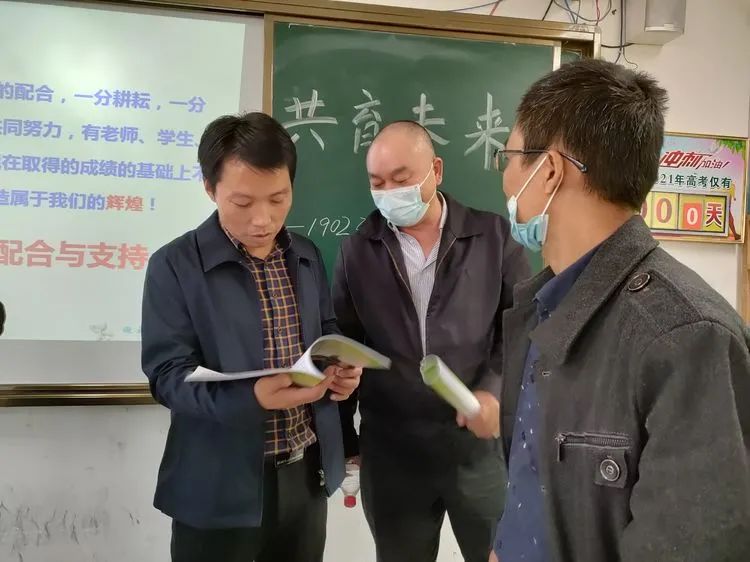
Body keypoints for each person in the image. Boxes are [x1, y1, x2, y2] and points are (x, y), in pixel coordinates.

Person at [491, 59, 750, 562]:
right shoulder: (543, 305)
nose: (505, 178)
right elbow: (537, 479)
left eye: (511, 157)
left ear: (549, 171)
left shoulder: (686, 336)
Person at [141, 112, 362, 562]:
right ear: (210, 188)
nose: (263, 219)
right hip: (218, 488)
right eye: (242, 202)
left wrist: (340, 367)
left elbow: (326, 330)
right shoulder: (175, 265)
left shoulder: (304, 254)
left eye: (278, 199)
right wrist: (253, 397)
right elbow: (167, 377)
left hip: (305, 474)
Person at [333, 120, 530, 562]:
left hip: (477, 448)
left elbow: (520, 327)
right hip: (393, 455)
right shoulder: (358, 250)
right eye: (377, 183)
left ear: (435, 170)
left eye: (400, 179)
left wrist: (494, 391)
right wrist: (346, 441)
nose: (389, 192)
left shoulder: (493, 237)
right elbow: (344, 342)